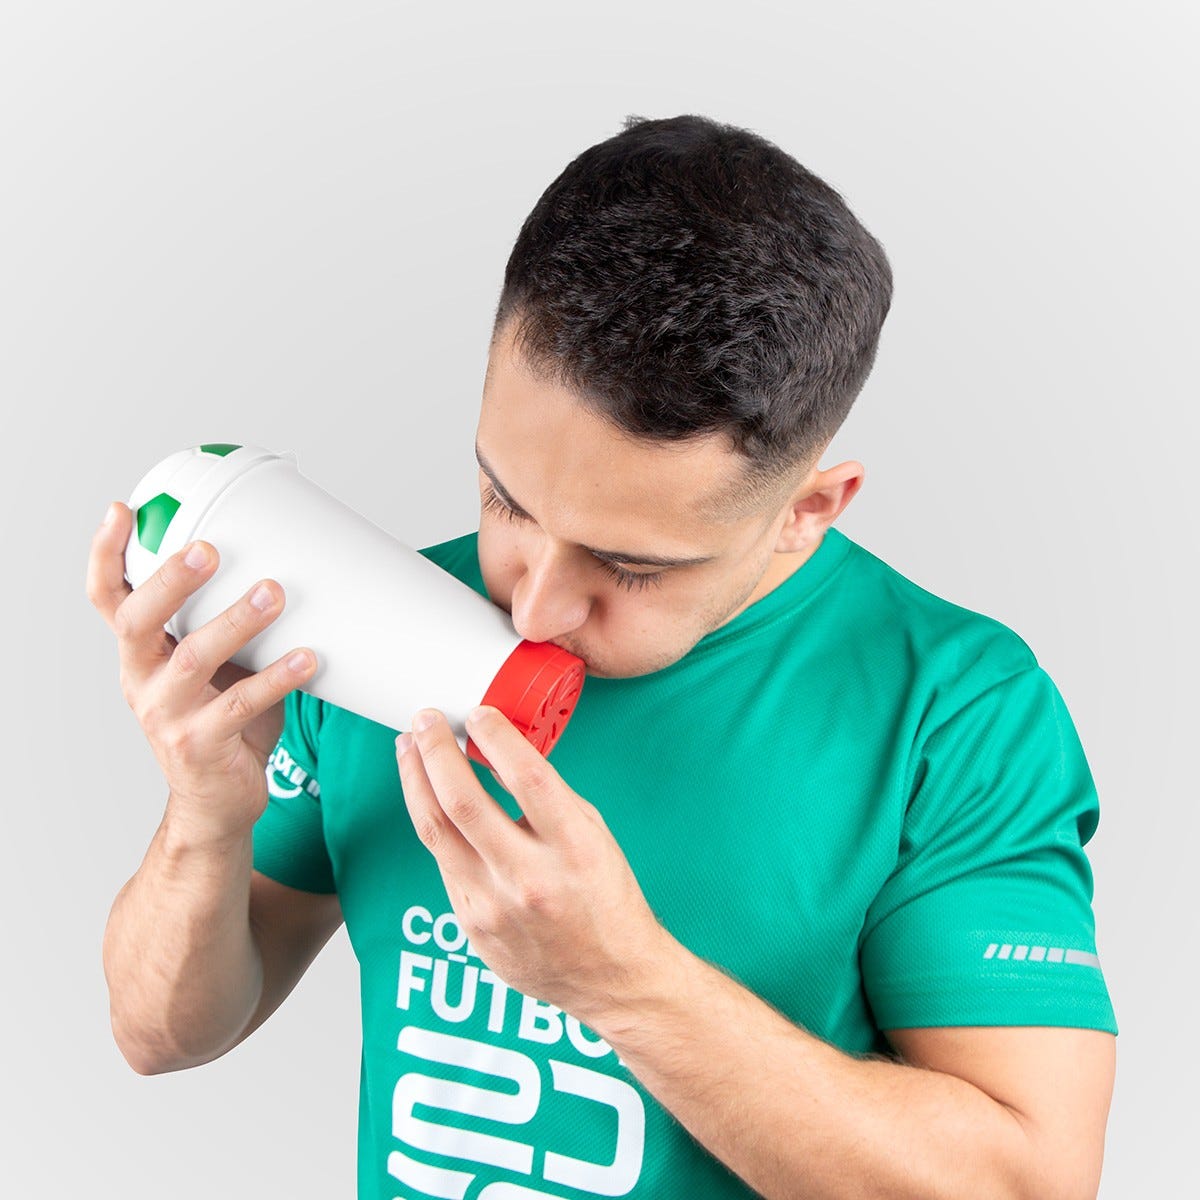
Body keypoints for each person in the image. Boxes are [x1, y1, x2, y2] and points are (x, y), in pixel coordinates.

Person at [88, 114, 1117, 1200]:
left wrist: (625, 985)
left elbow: (1031, 1185)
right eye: (506, 500)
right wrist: (206, 814)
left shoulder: (956, 711)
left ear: (808, 510)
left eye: (629, 566)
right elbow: (159, 1036)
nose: (532, 607)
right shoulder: (364, 628)